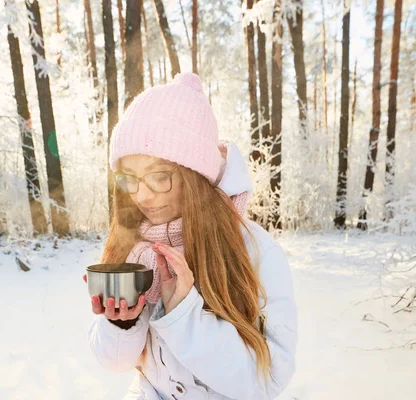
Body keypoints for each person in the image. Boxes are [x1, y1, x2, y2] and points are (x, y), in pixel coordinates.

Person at [86, 72, 298, 400]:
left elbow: (266, 380)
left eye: (158, 176)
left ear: (195, 176)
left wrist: (184, 312)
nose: (141, 196)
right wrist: (121, 324)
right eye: (130, 178)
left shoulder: (255, 251)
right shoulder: (135, 248)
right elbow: (114, 363)